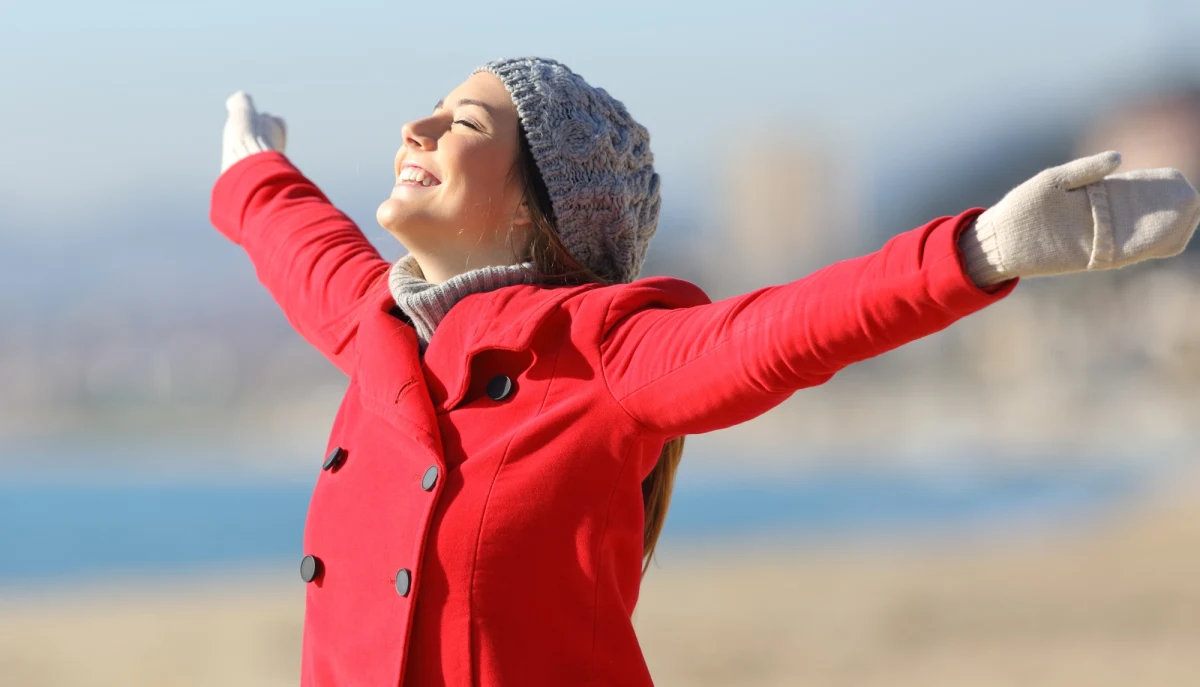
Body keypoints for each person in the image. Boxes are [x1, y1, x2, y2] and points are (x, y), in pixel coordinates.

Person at [210, 56, 1200, 686]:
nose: (415, 130)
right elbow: (306, 247)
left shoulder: (600, 350)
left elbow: (783, 332)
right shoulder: (378, 331)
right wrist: (251, 170)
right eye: (426, 111)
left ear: (532, 208)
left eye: (464, 124)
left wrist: (978, 250)